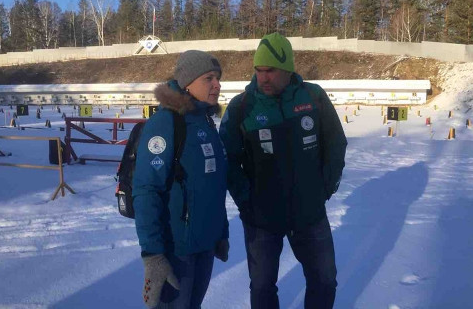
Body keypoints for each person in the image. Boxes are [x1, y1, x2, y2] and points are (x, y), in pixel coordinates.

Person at [219, 32, 347, 309]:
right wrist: (247, 200)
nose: (263, 77)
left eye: (270, 71)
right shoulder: (243, 106)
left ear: (287, 69)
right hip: (262, 219)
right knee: (263, 288)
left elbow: (336, 144)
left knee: (325, 281)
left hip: (309, 214)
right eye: (258, 70)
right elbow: (226, 159)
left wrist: (323, 189)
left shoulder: (313, 97)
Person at [133, 50, 229, 309]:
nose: (217, 85)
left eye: (218, 78)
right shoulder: (165, 124)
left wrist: (220, 232)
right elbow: (146, 190)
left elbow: (215, 185)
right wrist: (153, 255)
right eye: (209, 78)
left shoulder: (206, 122)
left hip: (205, 246)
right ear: (188, 83)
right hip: (176, 251)